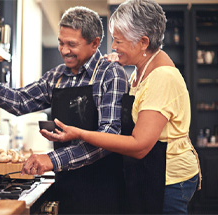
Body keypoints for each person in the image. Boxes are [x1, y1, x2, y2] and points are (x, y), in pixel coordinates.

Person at [39, 0, 202, 214]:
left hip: (168, 181)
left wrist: (79, 133)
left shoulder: (162, 78)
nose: (113, 46)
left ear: (143, 42)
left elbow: (139, 145)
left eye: (118, 40)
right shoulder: (141, 69)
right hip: (149, 176)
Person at [0, 6, 128, 214]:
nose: (63, 50)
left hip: (103, 190)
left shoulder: (111, 74)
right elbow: (20, 101)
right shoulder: (57, 77)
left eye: (72, 44)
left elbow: (109, 137)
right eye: (61, 43)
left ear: (95, 43)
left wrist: (52, 160)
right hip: (66, 187)